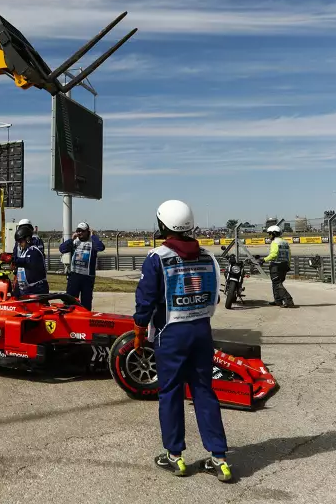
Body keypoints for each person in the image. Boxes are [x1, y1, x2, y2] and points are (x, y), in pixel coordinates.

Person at [133, 199, 233, 482]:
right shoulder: (208, 256)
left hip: (172, 333)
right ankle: (219, 458)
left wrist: (140, 327)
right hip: (202, 330)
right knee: (204, 391)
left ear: (162, 225)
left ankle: (175, 456)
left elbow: (146, 299)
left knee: (171, 393)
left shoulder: (157, 257)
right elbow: (214, 296)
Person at [59, 222, 105, 310]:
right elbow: (62, 249)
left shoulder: (93, 242)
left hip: (88, 277)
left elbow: (101, 247)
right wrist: (71, 239)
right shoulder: (75, 241)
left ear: (88, 232)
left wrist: (93, 236)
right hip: (74, 275)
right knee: (70, 301)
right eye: (78, 231)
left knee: (86, 303)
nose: (80, 233)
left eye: (82, 231)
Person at [1, 227, 49, 298]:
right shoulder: (25, 252)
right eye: (18, 242)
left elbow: (26, 261)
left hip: (37, 289)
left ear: (28, 239)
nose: (19, 244)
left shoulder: (34, 251)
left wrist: (11, 259)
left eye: (21, 241)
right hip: (26, 289)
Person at [260, 225, 294, 307]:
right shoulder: (285, 242)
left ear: (273, 234)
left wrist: (263, 260)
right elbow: (289, 255)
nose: (269, 236)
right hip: (284, 265)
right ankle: (277, 300)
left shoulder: (275, 242)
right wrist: (288, 265)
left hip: (276, 265)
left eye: (270, 234)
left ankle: (288, 300)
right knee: (277, 283)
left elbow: (274, 254)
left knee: (277, 284)